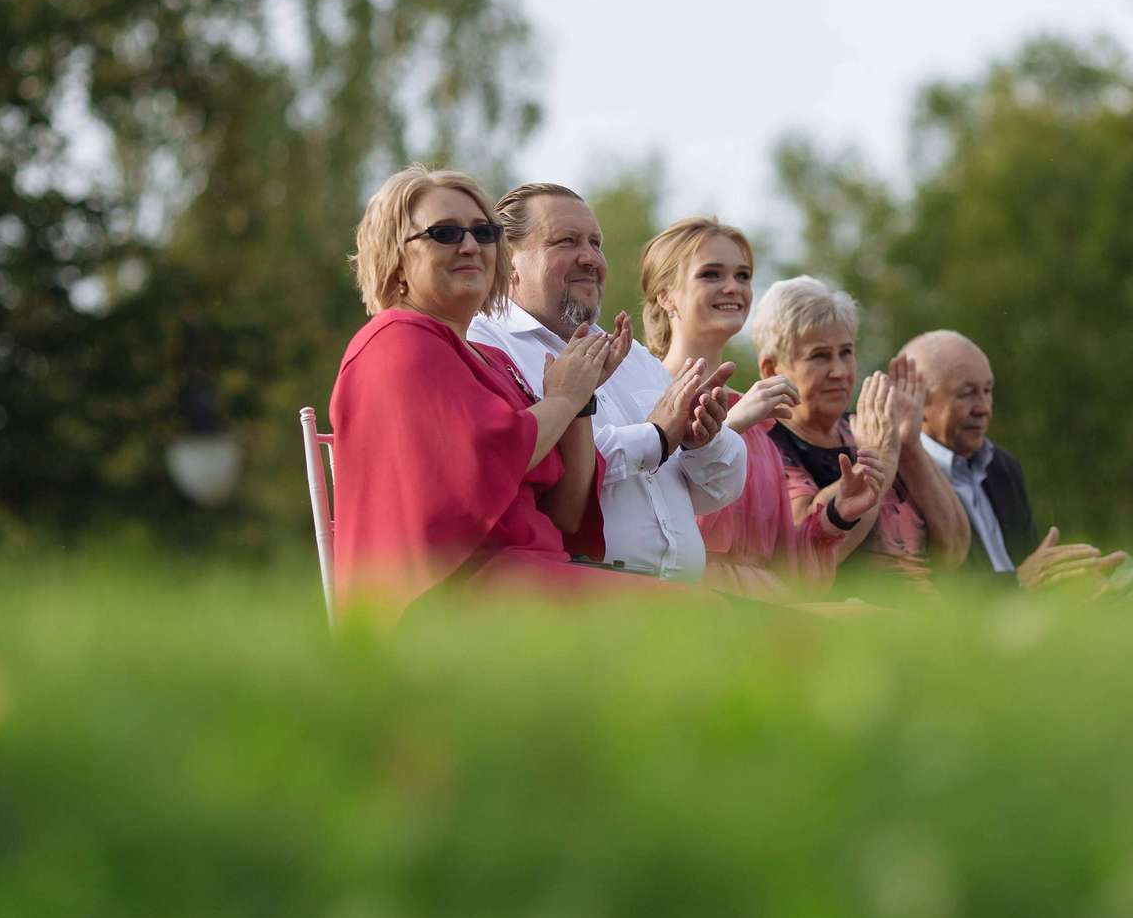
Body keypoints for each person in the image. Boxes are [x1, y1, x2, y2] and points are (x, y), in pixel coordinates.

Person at [330, 165, 669, 617]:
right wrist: (562, 400)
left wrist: (581, 399)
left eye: (485, 232)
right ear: (395, 257)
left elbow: (565, 513)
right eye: (445, 233)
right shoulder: (396, 341)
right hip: (454, 597)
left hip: (531, 581)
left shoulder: (493, 363)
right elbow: (490, 455)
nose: (471, 245)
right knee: (712, 621)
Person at [467, 184, 747, 580]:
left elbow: (714, 494)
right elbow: (534, 466)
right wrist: (655, 437)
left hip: (679, 607)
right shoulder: (483, 347)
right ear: (509, 260)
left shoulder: (633, 355)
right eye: (566, 241)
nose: (590, 257)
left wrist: (704, 440)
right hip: (579, 600)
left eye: (596, 243)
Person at [644, 218, 891, 598]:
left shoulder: (756, 419)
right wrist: (731, 428)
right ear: (666, 295)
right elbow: (651, 526)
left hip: (772, 612)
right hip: (693, 610)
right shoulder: (641, 395)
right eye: (711, 274)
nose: (733, 287)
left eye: (742, 275)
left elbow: (792, 569)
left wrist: (837, 513)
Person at [752, 276, 971, 587]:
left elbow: (955, 549)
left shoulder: (870, 427)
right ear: (771, 369)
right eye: (820, 356)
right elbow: (803, 551)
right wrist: (880, 457)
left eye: (846, 352)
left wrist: (908, 447)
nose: (840, 371)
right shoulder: (766, 441)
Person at [903, 329, 1121, 589]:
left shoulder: (1002, 466)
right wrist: (1017, 583)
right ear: (917, 402)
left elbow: (1032, 570)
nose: (983, 408)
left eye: (987, 390)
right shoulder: (899, 481)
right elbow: (926, 596)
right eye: (966, 393)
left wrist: (1068, 580)